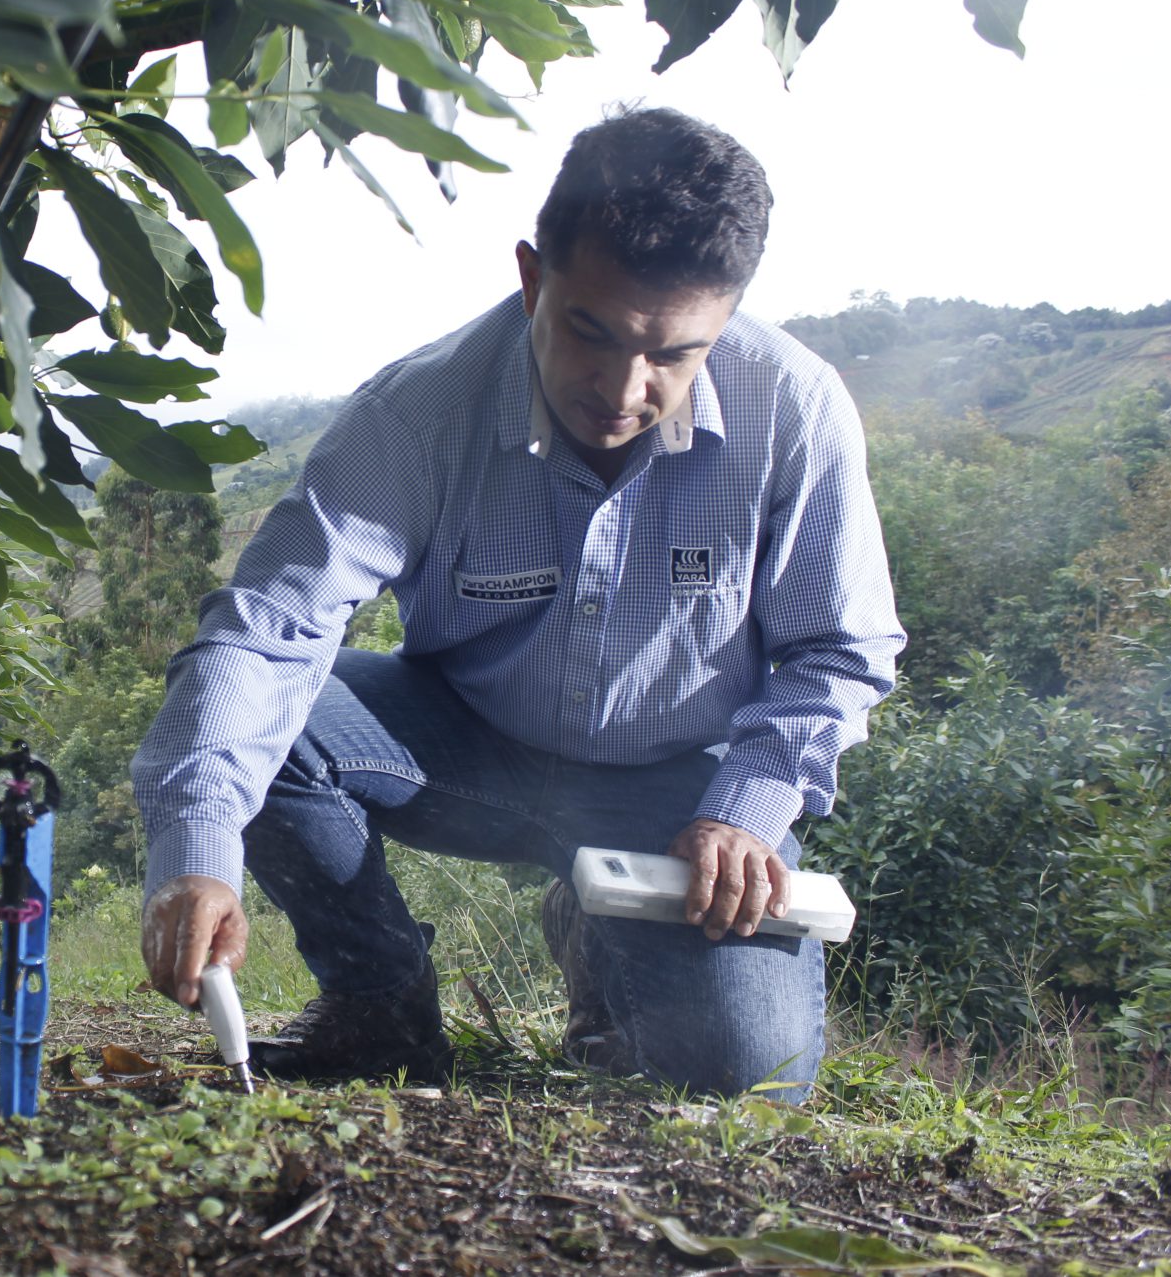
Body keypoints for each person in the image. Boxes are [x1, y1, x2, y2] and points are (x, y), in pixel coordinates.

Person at [131, 106, 904, 1103]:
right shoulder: (415, 415)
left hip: (679, 794)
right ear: (532, 277)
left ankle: (606, 939)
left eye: (675, 353)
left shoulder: (793, 409)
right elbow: (266, 633)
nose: (625, 388)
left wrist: (744, 814)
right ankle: (381, 1010)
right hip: (462, 745)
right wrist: (196, 847)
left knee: (741, 1079)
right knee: (272, 725)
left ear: (725, 319)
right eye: (592, 330)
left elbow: (837, 651)